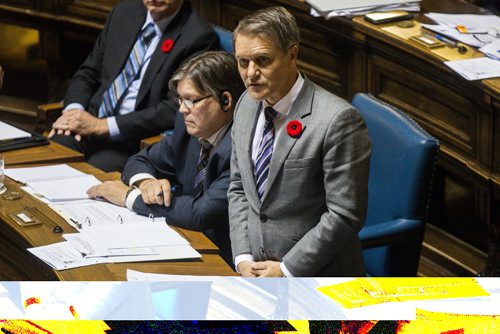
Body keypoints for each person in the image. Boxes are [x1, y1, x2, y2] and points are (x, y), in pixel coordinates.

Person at [228, 7, 372, 277]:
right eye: (243, 62)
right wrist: (243, 256)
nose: (251, 73)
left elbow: (344, 214)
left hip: (315, 278)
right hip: (255, 273)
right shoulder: (247, 104)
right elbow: (238, 187)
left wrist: (286, 269)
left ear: (292, 54)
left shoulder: (337, 120)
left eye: (262, 60)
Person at [87, 51, 245, 265]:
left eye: (191, 100)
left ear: (225, 101)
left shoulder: (242, 146)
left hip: (226, 257)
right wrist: (147, 183)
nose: (182, 109)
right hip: (181, 237)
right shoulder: (188, 128)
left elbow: (201, 213)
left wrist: (130, 198)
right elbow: (142, 160)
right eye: (180, 100)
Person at [49, 0, 218, 172]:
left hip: (131, 140)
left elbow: (173, 108)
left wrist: (104, 126)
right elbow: (89, 72)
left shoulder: (198, 37)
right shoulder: (124, 12)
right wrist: (73, 112)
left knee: (95, 178)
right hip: (86, 124)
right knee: (49, 156)